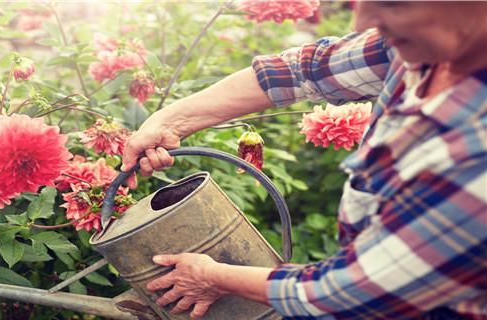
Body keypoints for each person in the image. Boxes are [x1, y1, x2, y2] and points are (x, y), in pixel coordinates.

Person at [120, 2, 487, 319]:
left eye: (395, 2)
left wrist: (213, 276)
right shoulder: (433, 41)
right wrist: (170, 120)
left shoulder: (475, 148)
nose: (362, 23)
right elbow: (305, 70)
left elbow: (352, 294)